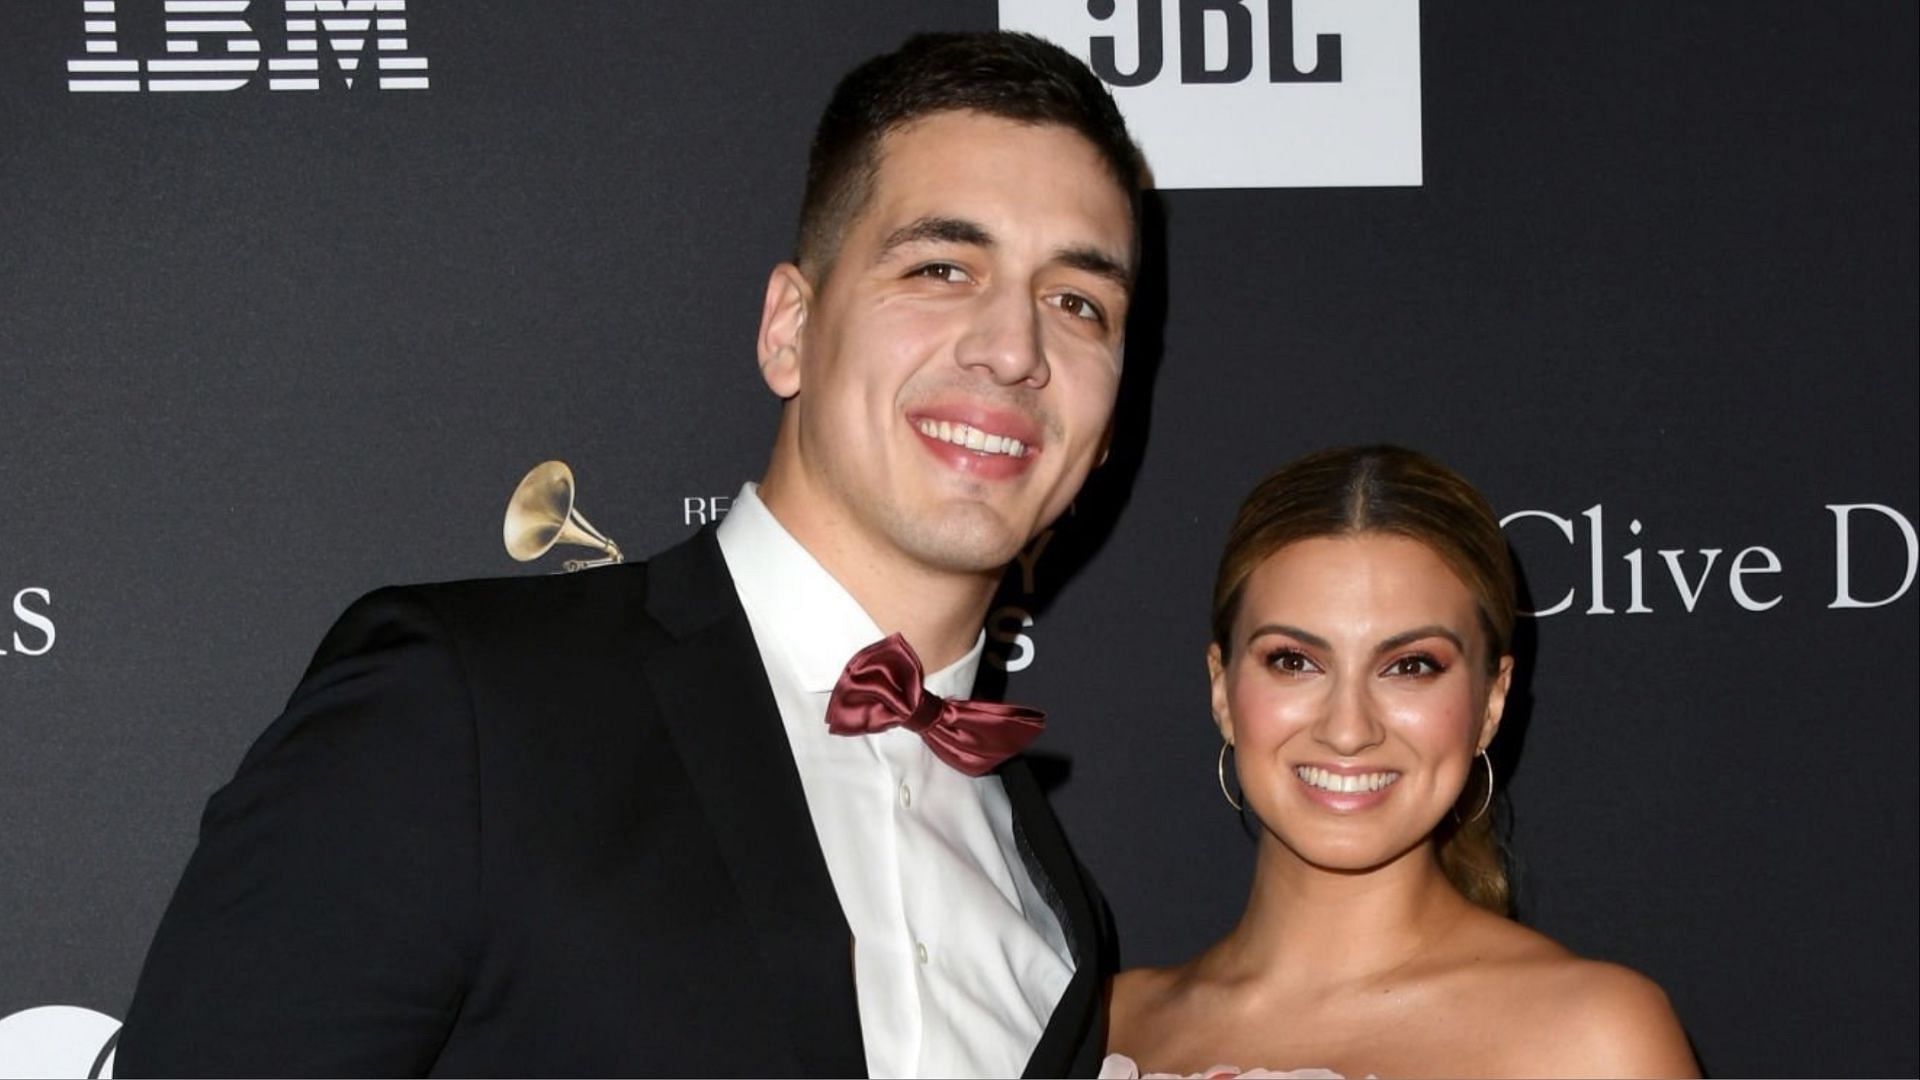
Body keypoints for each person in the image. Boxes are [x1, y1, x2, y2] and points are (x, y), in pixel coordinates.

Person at [119, 31, 1146, 1078]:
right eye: (940, 266)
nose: (1014, 348)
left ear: (1108, 421)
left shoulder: (1056, 901)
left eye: (1079, 304)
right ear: (789, 328)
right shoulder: (463, 710)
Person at [1105, 446, 1699, 1079]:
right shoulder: (1108, 1023)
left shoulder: (1592, 1038)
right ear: (1222, 689)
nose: (1348, 730)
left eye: (1411, 666)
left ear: (1491, 703)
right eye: (1294, 661)